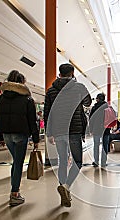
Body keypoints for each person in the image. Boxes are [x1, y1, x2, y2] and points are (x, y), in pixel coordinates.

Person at [44, 63, 91, 207]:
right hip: (74, 130)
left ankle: (63, 186)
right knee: (77, 162)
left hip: (58, 131)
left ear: (60, 73)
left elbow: (47, 113)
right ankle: (66, 187)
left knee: (63, 161)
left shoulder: (51, 91)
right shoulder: (79, 87)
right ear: (72, 73)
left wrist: (49, 133)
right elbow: (88, 102)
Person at [0, 70, 39, 206]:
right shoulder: (27, 99)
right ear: (22, 83)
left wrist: (0, 136)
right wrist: (36, 139)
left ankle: (14, 190)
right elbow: (32, 121)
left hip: (7, 135)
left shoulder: (1, 99)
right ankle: (15, 194)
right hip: (21, 134)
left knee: (16, 161)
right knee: (18, 163)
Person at [89, 93, 110, 167]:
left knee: (96, 145)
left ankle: (96, 161)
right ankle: (103, 162)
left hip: (96, 129)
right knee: (105, 146)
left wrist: (91, 129)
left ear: (97, 99)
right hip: (106, 129)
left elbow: (91, 120)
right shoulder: (108, 107)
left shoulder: (94, 108)